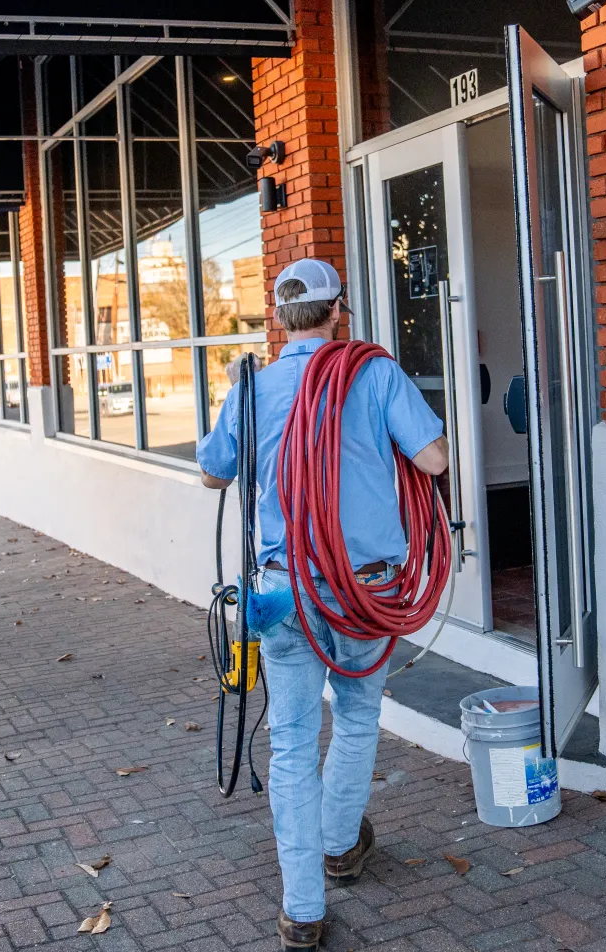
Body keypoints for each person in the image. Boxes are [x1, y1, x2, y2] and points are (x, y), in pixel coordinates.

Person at [196, 258, 449, 949]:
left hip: (284, 595)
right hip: (366, 591)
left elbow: (214, 472)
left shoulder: (253, 387)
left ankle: (303, 909)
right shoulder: (373, 373)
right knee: (360, 713)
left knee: (291, 743)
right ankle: (341, 845)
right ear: (340, 312)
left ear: (277, 317)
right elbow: (433, 461)